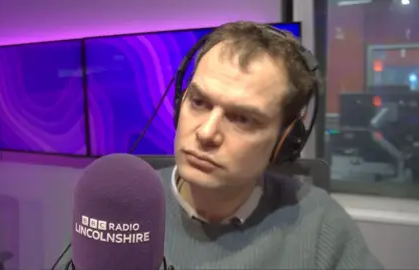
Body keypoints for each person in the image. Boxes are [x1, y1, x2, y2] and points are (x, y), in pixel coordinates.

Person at [158, 21, 383, 269]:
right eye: (199, 102)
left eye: (242, 118)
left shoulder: (323, 227)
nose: (206, 133)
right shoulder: (119, 202)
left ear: (284, 140)